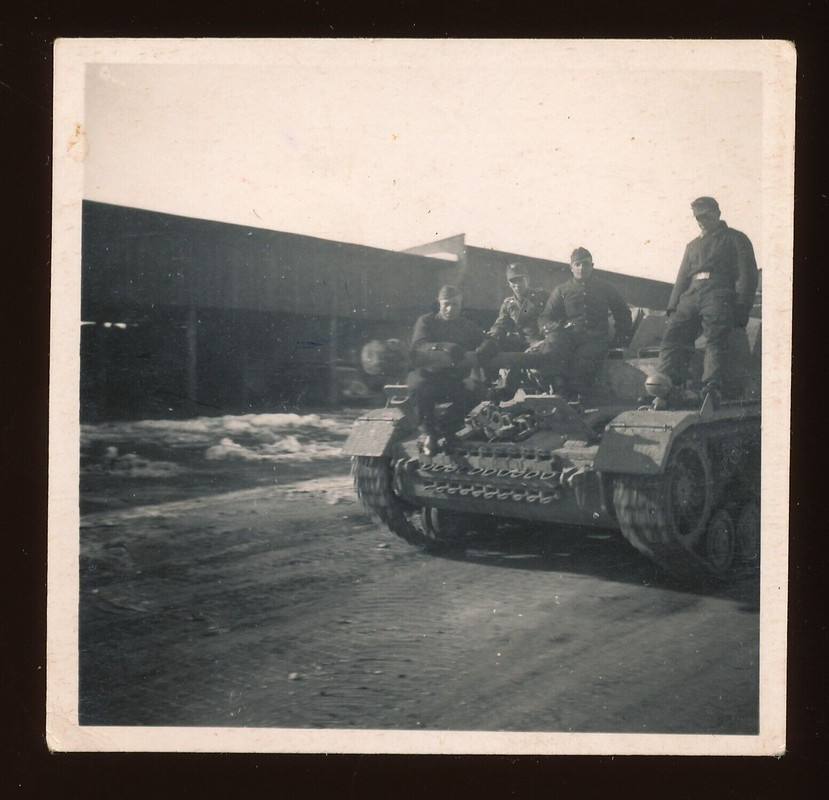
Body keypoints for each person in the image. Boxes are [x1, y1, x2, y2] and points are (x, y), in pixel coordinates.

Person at [655, 197, 758, 407]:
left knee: (715, 338)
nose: (701, 221)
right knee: (672, 335)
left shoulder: (736, 239)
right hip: (691, 295)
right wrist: (673, 308)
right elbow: (682, 277)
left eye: (705, 216)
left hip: (719, 293)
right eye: (697, 218)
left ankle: (711, 387)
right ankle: (666, 386)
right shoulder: (692, 245)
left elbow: (747, 275)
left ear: (718, 213)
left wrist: (742, 307)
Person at [407, 285, 495, 455]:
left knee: (478, 392)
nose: (450, 309)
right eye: (446, 304)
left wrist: (486, 347)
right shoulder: (427, 321)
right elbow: (419, 345)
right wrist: (443, 346)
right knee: (417, 386)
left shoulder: (467, 326)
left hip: (454, 380)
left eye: (455, 304)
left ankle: (447, 430)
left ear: (461, 306)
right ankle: (429, 434)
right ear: (439, 303)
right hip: (429, 377)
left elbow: (486, 340)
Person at [537, 247, 632, 400]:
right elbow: (545, 318)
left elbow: (623, 313)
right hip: (570, 338)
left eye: (586, 264)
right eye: (578, 264)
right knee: (552, 346)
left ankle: (576, 396)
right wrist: (558, 329)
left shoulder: (605, 288)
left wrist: (620, 339)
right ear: (571, 267)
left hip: (596, 339)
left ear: (592, 266)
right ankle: (556, 389)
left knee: (581, 363)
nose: (582, 268)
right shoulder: (562, 290)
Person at [487, 263, 550, 398]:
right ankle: (502, 393)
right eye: (513, 281)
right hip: (523, 345)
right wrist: (490, 338)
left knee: (521, 361)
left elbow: (553, 317)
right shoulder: (509, 304)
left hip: (541, 342)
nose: (517, 285)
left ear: (527, 279)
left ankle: (504, 391)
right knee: (512, 357)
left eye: (520, 280)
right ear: (509, 284)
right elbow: (500, 325)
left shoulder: (542, 296)